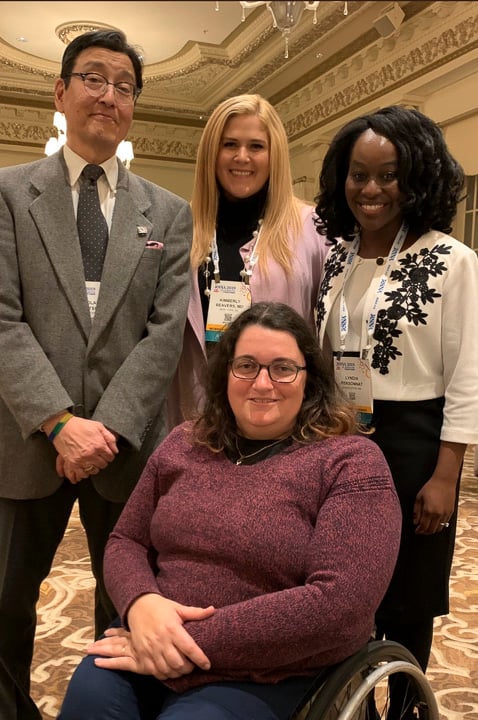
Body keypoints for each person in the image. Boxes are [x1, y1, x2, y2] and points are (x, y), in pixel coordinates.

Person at [58, 301, 401, 720]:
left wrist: (183, 640)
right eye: (246, 366)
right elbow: (126, 539)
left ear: (310, 379)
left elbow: (340, 605)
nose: (263, 383)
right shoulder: (185, 443)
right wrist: (141, 603)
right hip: (149, 633)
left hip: (267, 669)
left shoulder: (350, 462)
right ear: (226, 374)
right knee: (88, 702)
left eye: (283, 368)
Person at [0, 29, 192, 720]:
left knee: (128, 608)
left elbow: (163, 334)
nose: (109, 95)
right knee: (4, 602)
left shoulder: (168, 212)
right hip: (26, 442)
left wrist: (103, 428)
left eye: (125, 86)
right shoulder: (8, 194)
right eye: (93, 78)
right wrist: (59, 422)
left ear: (134, 106)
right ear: (60, 93)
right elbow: (2, 318)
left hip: (126, 449)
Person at [314, 105, 478, 686]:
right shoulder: (335, 257)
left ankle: (406, 708)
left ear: (417, 178)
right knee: (346, 593)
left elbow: (467, 376)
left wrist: (446, 477)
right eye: (359, 175)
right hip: (337, 440)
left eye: (389, 175)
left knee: (407, 601)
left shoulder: (452, 261)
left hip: (414, 447)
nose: (371, 189)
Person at [168, 93, 328, 426]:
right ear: (212, 153)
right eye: (229, 144)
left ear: (274, 155)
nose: (242, 157)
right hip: (198, 416)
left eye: (256, 146)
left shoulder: (313, 229)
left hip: (282, 418)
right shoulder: (181, 228)